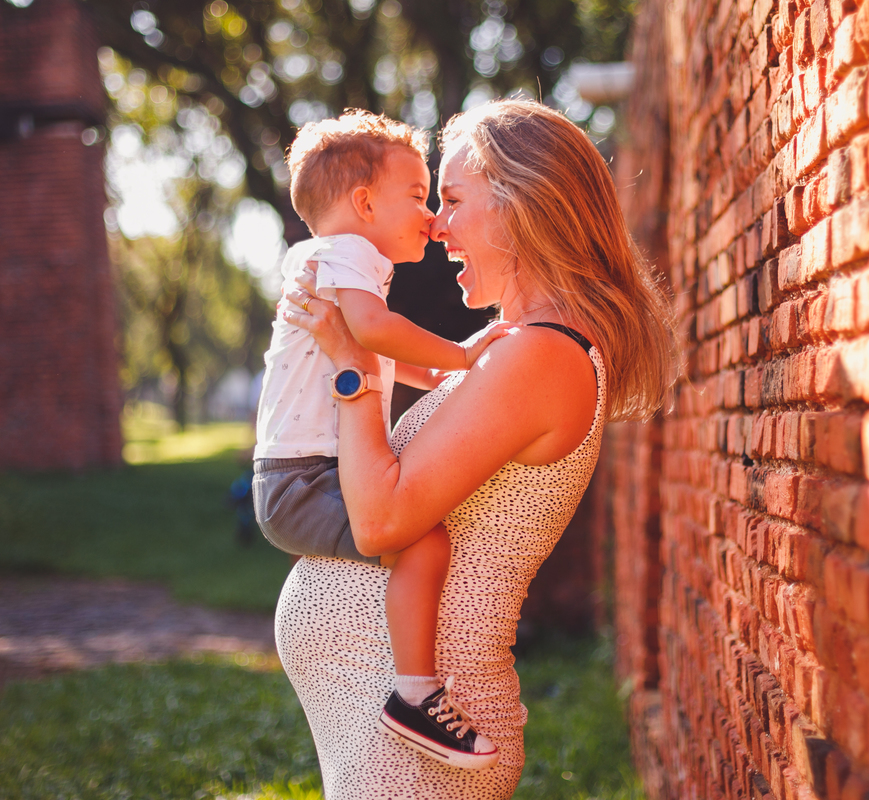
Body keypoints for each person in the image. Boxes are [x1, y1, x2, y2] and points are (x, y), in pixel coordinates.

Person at [275, 98, 679, 799]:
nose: (437, 227)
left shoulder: (541, 358)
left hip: (417, 749)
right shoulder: (520, 351)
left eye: (453, 200)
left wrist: (352, 367)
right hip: (381, 733)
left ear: (520, 206)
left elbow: (380, 522)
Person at [253, 110, 509, 769]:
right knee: (421, 542)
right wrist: (463, 355)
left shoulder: (345, 264)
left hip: (305, 472)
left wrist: (461, 364)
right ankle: (414, 692)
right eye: (419, 197)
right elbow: (371, 333)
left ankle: (408, 683)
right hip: (300, 478)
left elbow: (387, 354)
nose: (429, 215)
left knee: (418, 536)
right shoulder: (343, 255)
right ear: (363, 203)